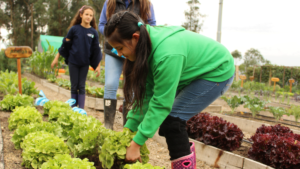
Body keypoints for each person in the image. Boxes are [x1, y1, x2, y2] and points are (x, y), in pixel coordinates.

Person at [104, 11, 235, 169]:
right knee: (171, 120)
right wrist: (129, 129)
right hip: (196, 71)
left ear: (135, 38)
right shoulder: (146, 45)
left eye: (120, 48)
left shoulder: (165, 54)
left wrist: (136, 143)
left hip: (217, 71)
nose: (119, 54)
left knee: (173, 121)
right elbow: (147, 95)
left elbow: (161, 103)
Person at [98, 0, 156, 130]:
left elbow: (152, 25)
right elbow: (101, 24)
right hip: (113, 50)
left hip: (134, 50)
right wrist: (114, 35)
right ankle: (108, 126)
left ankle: (128, 128)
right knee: (110, 85)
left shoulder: (145, 4)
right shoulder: (110, 3)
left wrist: (131, 39)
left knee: (133, 89)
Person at [51, 5, 102, 109]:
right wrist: (56, 58)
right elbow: (65, 45)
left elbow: (96, 50)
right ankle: (73, 109)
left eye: (91, 15)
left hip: (84, 63)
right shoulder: (74, 29)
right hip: (73, 62)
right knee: (74, 86)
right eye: (86, 14)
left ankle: (81, 110)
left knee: (82, 86)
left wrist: (98, 65)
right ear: (81, 15)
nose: (89, 17)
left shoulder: (93, 32)